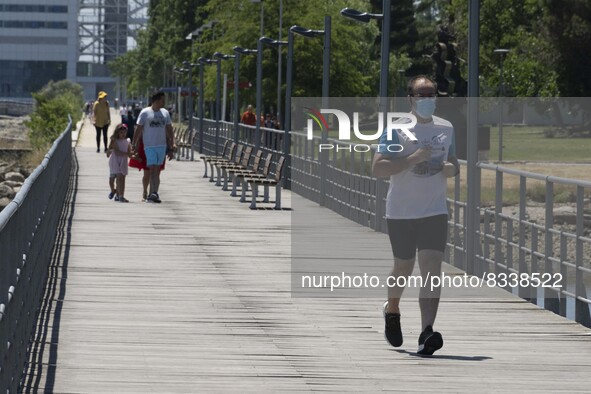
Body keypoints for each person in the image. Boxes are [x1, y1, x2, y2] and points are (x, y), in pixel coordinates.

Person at [371, 75, 460, 356]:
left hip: (434, 210)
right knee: (403, 268)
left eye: (432, 94)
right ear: (410, 98)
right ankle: (392, 309)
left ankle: (426, 332)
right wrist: (412, 159)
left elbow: (454, 163)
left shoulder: (446, 128)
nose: (427, 99)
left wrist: (450, 169)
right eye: (421, 95)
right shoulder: (396, 130)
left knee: (432, 267)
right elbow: (378, 168)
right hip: (401, 211)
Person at [132, 91, 176, 203]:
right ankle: (151, 193)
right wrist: (134, 144)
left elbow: (169, 129)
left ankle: (154, 192)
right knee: (152, 169)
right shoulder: (145, 113)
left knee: (157, 171)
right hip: (149, 145)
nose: (164, 102)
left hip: (161, 145)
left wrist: (172, 144)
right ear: (156, 100)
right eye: (162, 100)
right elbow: (139, 129)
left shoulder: (165, 113)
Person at [106, 124, 133, 203]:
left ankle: (120, 195)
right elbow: (116, 151)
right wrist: (108, 152)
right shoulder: (114, 140)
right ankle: (113, 190)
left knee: (121, 179)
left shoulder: (127, 141)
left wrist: (133, 155)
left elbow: (129, 151)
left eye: (124, 132)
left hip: (123, 162)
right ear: (117, 133)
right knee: (111, 180)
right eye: (121, 132)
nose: (123, 134)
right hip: (114, 161)